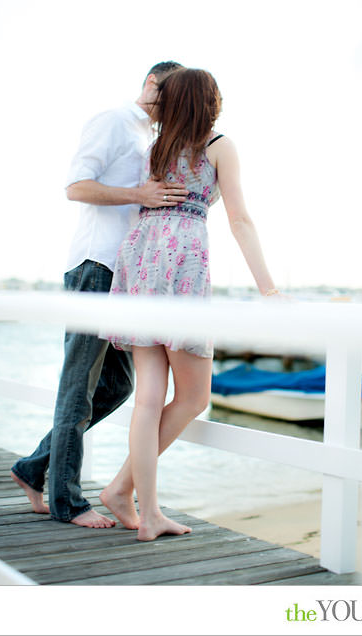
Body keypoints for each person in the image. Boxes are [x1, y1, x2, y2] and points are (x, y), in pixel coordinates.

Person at [99, 67, 280, 541]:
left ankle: (133, 499)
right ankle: (127, 493)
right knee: (195, 395)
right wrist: (269, 289)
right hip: (180, 263)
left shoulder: (154, 148)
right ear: (211, 101)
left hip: (140, 257)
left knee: (148, 399)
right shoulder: (218, 144)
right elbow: (239, 218)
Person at [10, 61, 186, 528]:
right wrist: (139, 195)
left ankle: (33, 468)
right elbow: (76, 187)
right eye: (173, 94)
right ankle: (67, 501)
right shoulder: (113, 121)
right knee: (78, 386)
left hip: (126, 277)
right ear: (152, 84)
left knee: (118, 386)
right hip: (94, 267)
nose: (176, 106)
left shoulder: (150, 139)